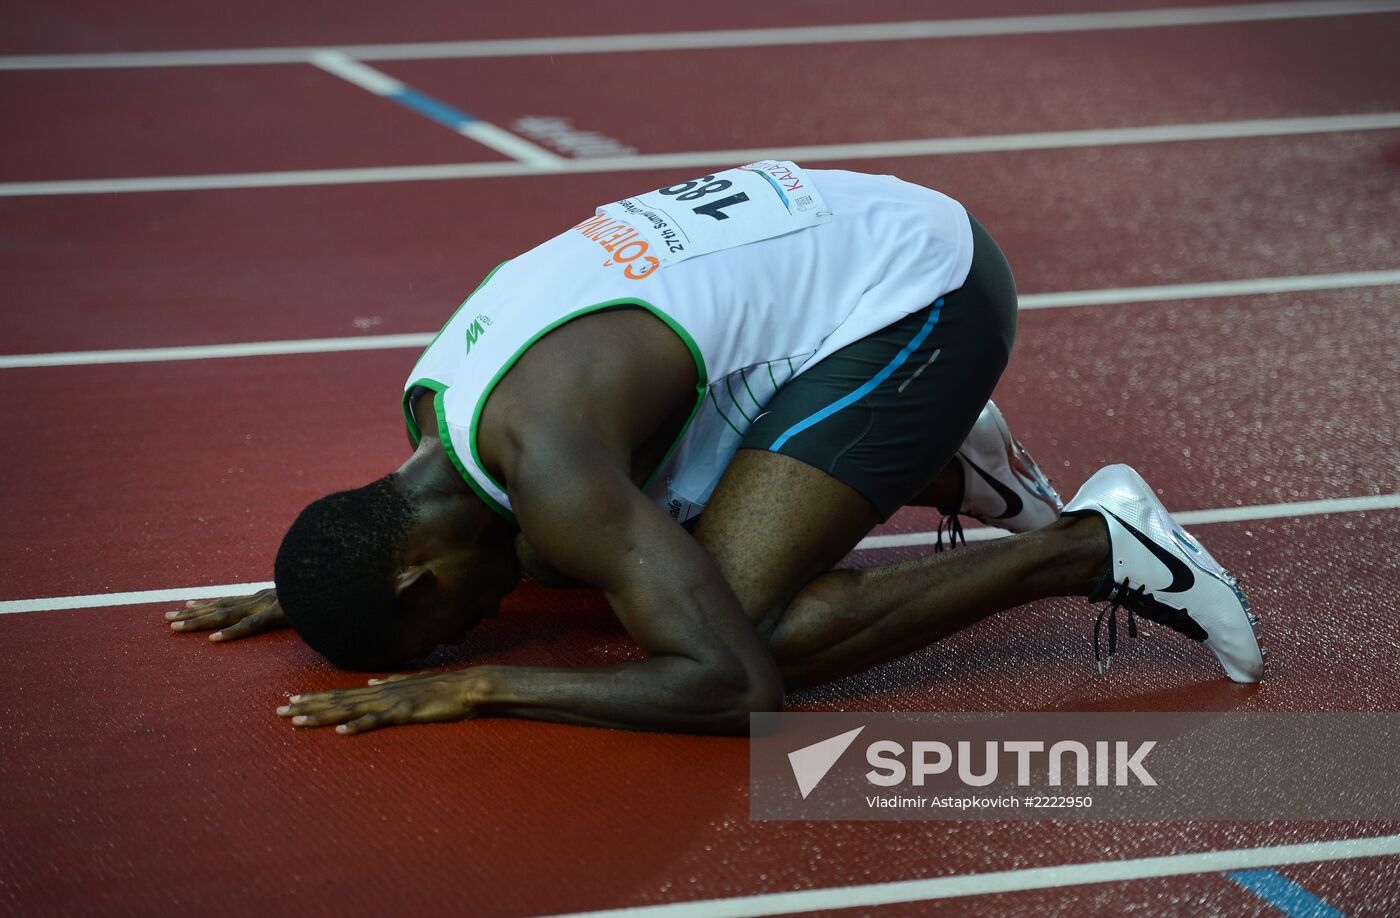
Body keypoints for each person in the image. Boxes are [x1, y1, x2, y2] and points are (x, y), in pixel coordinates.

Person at [166, 163, 1262, 735]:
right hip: (839, 254)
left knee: (744, 634)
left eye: (448, 622)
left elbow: (733, 692)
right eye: (465, 641)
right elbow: (402, 550)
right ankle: (938, 460)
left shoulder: (552, 467)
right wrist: (321, 592)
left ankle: (1089, 546)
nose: (477, 626)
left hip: (925, 290)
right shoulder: (435, 407)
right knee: (580, 565)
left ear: (417, 573)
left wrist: (477, 687)